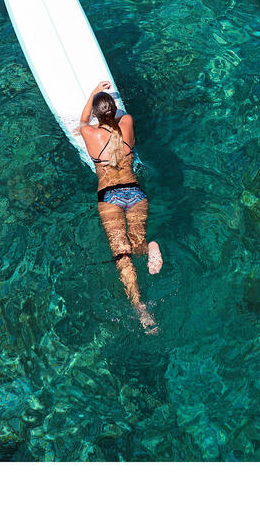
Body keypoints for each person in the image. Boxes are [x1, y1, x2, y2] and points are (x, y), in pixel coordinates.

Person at [79, 81, 163, 332]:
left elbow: (82, 121)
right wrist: (105, 102)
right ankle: (150, 247)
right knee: (137, 245)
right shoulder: (127, 122)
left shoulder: (89, 133)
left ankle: (140, 306)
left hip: (110, 195)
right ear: (115, 110)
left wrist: (92, 94)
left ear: (96, 115)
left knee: (122, 254)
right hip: (135, 193)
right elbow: (118, 117)